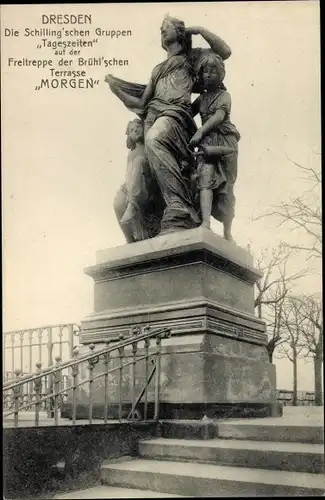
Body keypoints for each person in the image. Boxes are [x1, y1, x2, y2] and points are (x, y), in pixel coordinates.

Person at [105, 16, 232, 236]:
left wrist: (200, 29)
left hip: (176, 118)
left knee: (155, 138)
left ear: (180, 32)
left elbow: (225, 52)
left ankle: (179, 206)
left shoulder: (191, 58)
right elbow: (142, 103)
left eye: (167, 28)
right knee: (143, 163)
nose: (162, 31)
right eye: (160, 29)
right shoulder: (157, 70)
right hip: (154, 116)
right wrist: (117, 90)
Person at [189, 51, 240, 241]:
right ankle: (206, 223)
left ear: (220, 75)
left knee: (226, 189)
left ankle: (227, 231)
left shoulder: (225, 95)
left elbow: (219, 117)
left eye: (213, 71)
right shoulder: (201, 99)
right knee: (205, 177)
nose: (208, 75)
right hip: (207, 143)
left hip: (225, 142)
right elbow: (186, 113)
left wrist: (200, 131)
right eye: (205, 71)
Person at [114, 119, 164, 242]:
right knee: (118, 202)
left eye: (138, 127)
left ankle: (132, 204)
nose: (135, 130)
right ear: (129, 136)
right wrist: (126, 187)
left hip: (148, 184)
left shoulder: (149, 146)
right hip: (132, 185)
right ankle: (129, 238)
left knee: (139, 161)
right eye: (131, 130)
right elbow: (129, 173)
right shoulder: (131, 153)